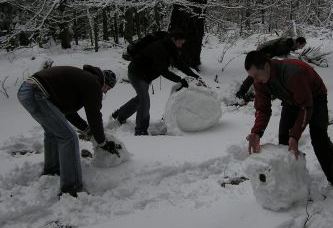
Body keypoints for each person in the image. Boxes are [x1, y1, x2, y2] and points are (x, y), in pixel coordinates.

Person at [244, 50, 333, 196]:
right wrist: (256, 132)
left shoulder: (293, 73)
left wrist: (295, 135)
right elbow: (262, 109)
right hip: (291, 100)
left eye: (256, 75)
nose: (254, 79)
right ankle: (290, 186)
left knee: (319, 139)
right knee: (284, 143)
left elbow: (306, 107)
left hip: (314, 98)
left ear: (266, 66)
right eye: (252, 76)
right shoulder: (260, 81)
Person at [17, 65, 119, 197]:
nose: (105, 92)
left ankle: (52, 170)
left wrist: (88, 130)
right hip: (37, 93)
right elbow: (94, 115)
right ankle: (72, 188)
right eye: (107, 88)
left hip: (28, 90)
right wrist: (102, 142)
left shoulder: (84, 79)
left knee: (53, 132)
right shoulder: (93, 83)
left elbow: (68, 113)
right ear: (103, 82)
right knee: (69, 137)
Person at [112, 29, 200, 135]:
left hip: (145, 76)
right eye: (180, 42)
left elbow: (179, 64)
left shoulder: (171, 48)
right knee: (144, 100)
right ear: (173, 39)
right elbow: (163, 71)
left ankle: (120, 115)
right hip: (137, 73)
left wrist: (193, 75)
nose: (181, 46)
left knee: (140, 98)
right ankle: (140, 130)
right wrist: (180, 80)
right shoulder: (159, 47)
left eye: (182, 43)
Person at [236, 36, 306, 100]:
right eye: (301, 46)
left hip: (266, 53)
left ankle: (257, 92)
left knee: (263, 74)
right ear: (298, 43)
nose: (301, 48)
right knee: (257, 73)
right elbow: (275, 51)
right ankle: (241, 92)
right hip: (263, 53)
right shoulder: (288, 44)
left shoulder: (289, 43)